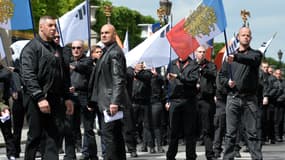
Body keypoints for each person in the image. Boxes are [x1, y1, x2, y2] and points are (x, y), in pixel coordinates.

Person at [20, 16, 74, 160]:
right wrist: (39, 97)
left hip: (56, 98)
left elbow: (64, 75)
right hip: (36, 98)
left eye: (54, 26)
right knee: (35, 135)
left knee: (54, 134)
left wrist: (67, 97)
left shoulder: (58, 49)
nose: (53, 29)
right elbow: (28, 74)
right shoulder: (31, 48)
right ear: (41, 27)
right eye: (50, 25)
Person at [219, 27, 263, 160]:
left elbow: (252, 60)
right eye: (243, 35)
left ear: (251, 38)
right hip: (232, 98)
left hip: (249, 99)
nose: (246, 37)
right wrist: (227, 82)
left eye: (248, 35)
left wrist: (236, 57)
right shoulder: (229, 58)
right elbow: (221, 76)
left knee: (252, 134)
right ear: (238, 37)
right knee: (230, 133)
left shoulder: (255, 54)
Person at [88, 24, 130, 160]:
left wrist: (114, 102)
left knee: (110, 138)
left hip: (110, 103)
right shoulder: (107, 51)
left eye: (107, 33)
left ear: (114, 34)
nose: (104, 35)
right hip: (105, 101)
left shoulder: (114, 52)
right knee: (115, 137)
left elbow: (118, 79)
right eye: (102, 33)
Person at [164, 56, 200, 160]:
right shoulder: (172, 63)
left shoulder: (193, 64)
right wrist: (167, 99)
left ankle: (190, 156)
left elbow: (193, 80)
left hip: (189, 101)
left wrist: (178, 76)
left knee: (189, 132)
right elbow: (166, 85)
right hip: (174, 101)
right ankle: (170, 156)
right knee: (173, 132)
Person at [69, 40, 98, 160]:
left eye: (78, 48)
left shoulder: (88, 61)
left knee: (88, 128)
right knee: (71, 127)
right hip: (71, 97)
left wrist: (71, 66)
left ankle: (89, 153)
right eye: (73, 48)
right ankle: (72, 152)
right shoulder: (69, 61)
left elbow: (82, 67)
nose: (76, 50)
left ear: (83, 50)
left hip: (84, 97)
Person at [195, 45, 217, 160]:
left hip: (206, 100)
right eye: (199, 51)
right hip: (193, 99)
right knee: (192, 128)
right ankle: (191, 154)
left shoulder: (210, 65)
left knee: (207, 128)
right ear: (195, 53)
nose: (202, 53)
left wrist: (202, 70)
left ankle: (210, 154)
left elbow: (213, 75)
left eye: (204, 52)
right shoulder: (192, 65)